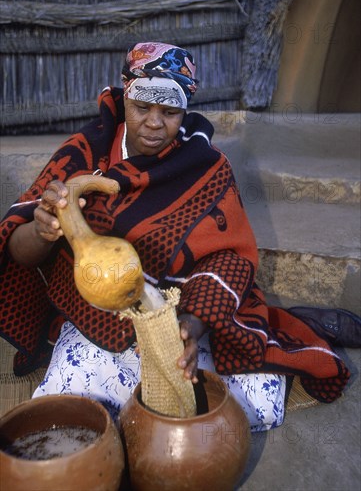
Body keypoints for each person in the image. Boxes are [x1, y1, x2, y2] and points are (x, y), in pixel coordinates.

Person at [1, 42, 360, 431]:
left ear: (185, 108)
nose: (155, 123)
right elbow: (20, 253)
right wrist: (42, 230)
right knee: (71, 416)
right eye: (142, 108)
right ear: (125, 95)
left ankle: (286, 325)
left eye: (170, 112)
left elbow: (231, 257)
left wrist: (192, 325)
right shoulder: (85, 155)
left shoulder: (207, 166)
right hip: (97, 317)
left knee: (253, 407)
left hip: (184, 308)